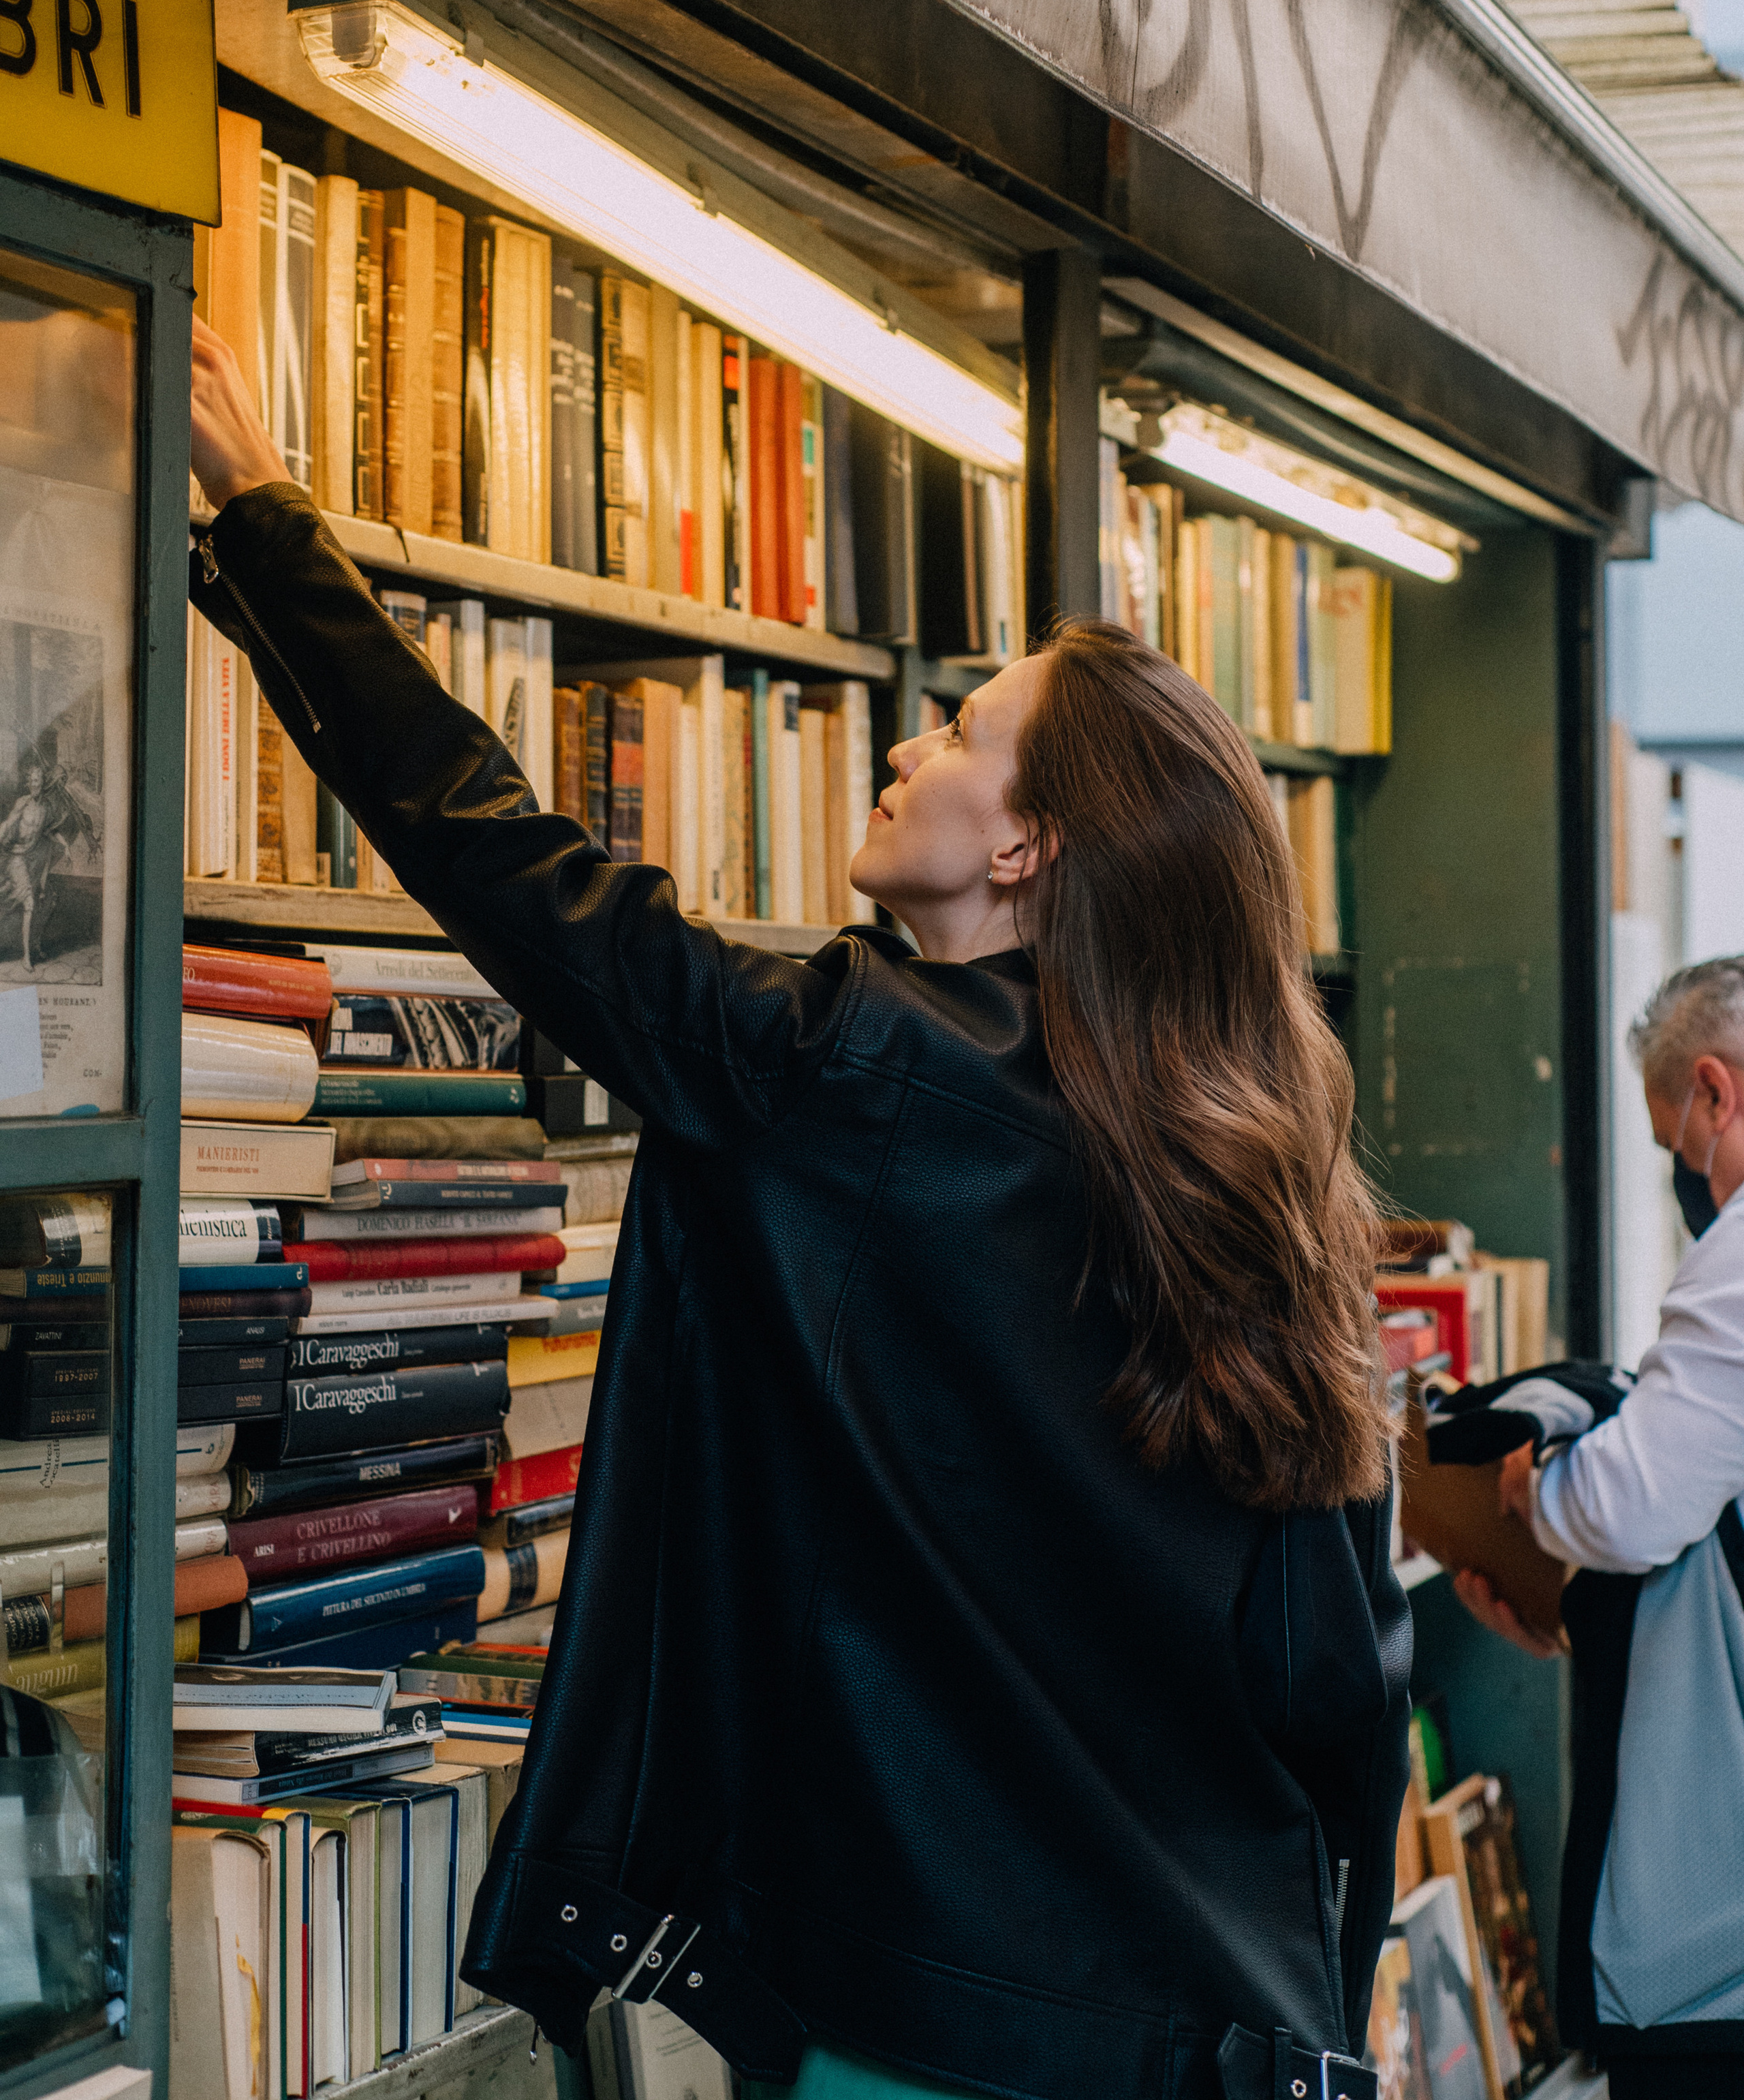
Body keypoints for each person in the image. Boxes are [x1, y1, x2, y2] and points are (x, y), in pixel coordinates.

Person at [188, 315, 1409, 2100]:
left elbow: (513, 865)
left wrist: (271, 521)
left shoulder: (854, 1070)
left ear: (1025, 848)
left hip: (925, 2025)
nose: (910, 745)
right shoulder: (1246, 1169)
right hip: (1194, 2032)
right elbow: (1336, 1703)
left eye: (963, 732)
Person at [1454, 957, 1744, 2100]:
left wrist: (1537, 1497)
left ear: (1714, 1094)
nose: (1685, 1177)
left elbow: (1626, 1504)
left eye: (1678, 1145)